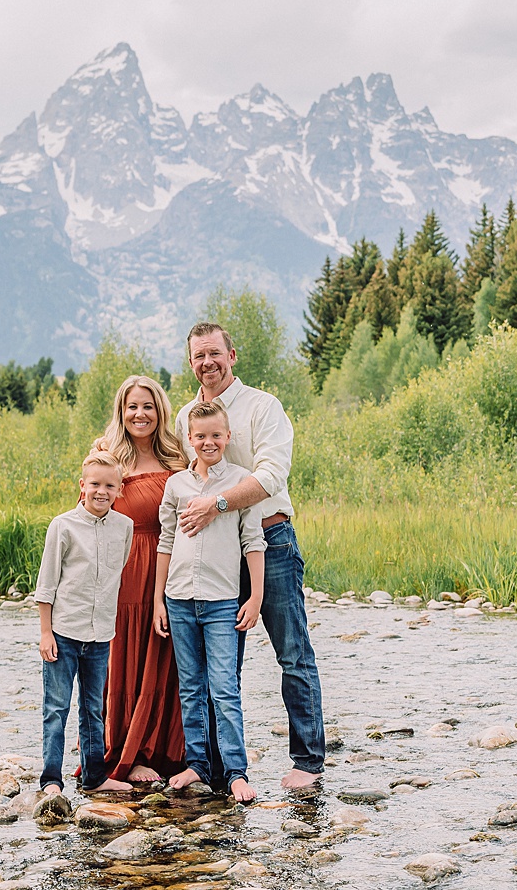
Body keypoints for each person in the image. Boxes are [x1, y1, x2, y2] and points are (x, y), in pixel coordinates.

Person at [175, 321, 325, 791]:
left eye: (215, 353)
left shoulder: (264, 407)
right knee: (221, 667)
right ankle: (220, 766)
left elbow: (271, 476)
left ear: (232, 355)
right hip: (216, 556)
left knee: (293, 654)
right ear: (191, 361)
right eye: (199, 356)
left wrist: (219, 503)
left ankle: (307, 759)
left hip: (271, 542)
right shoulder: (186, 417)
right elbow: (181, 475)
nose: (207, 363)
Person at [154, 398, 265, 803]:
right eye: (200, 436)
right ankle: (198, 765)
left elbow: (254, 542)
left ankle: (236, 771)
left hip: (221, 602)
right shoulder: (176, 485)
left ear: (228, 436)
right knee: (190, 688)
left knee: (224, 688)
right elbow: (166, 542)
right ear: (189, 439)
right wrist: (157, 602)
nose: (208, 442)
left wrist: (255, 598)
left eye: (216, 435)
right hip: (179, 599)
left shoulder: (240, 482)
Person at [91, 374, 189, 785]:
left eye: (147, 406)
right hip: (124, 568)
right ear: (121, 411)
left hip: (169, 565)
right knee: (125, 657)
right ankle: (127, 754)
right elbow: (90, 512)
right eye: (132, 406)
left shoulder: (177, 459)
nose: (140, 413)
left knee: (165, 660)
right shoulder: (106, 456)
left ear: (160, 410)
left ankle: (166, 751)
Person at [32, 449, 135, 812]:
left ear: (119, 489)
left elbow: (116, 572)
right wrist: (46, 633)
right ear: (82, 486)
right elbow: (46, 585)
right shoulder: (62, 526)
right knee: (56, 708)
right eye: (94, 484)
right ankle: (51, 780)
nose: (101, 491)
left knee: (94, 709)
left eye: (109, 485)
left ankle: (95, 776)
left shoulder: (125, 527)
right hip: (63, 632)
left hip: (101, 634)